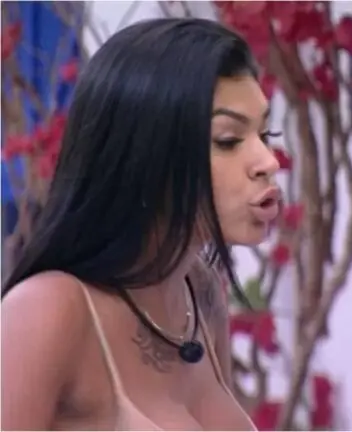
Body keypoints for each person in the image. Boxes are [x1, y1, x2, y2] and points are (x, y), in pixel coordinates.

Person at [1, 18, 281, 430]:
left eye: (266, 133)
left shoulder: (199, 293)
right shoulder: (48, 310)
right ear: (145, 153)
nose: (268, 162)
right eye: (228, 140)